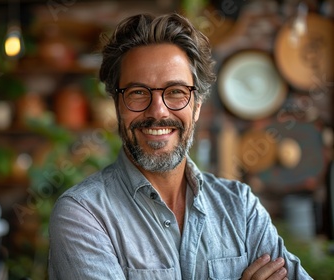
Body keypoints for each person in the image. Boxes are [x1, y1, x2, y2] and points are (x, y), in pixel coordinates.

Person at [48, 13, 312, 280]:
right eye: (138, 92)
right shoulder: (83, 214)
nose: (158, 111)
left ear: (196, 106)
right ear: (117, 106)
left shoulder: (240, 208)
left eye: (175, 91)